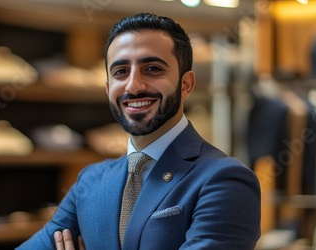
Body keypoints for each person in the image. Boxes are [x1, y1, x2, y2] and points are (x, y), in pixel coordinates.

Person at [17, 13, 261, 250]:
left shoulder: (225, 179)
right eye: (120, 72)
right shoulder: (89, 182)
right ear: (108, 87)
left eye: (153, 69)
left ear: (186, 85)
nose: (133, 86)